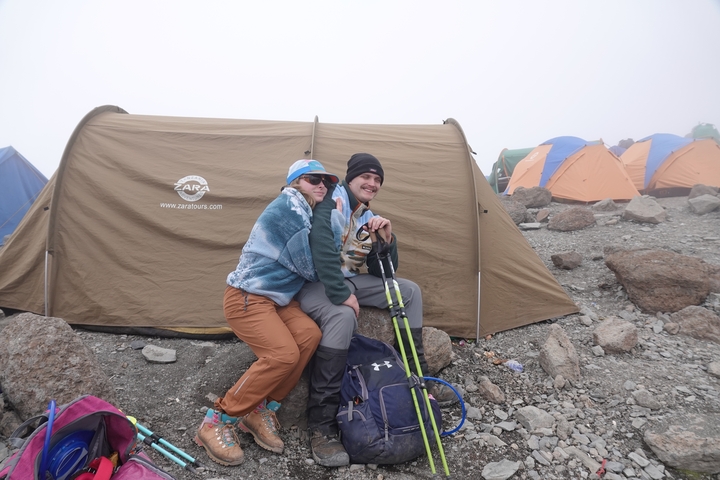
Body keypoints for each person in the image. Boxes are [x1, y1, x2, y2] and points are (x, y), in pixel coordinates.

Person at [296, 153, 459, 467]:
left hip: (352, 280)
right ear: (351, 177)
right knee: (343, 315)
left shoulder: (364, 215)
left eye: (377, 179)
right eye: (366, 177)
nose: (372, 183)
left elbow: (385, 269)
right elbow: (320, 251)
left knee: (408, 291)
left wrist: (387, 239)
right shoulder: (330, 202)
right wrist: (342, 294)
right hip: (314, 284)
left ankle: (420, 380)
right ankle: (322, 425)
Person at [195, 159, 340, 467]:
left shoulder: (307, 210)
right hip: (246, 297)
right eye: (313, 179)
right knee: (282, 354)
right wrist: (335, 221)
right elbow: (314, 269)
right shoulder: (289, 211)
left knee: (309, 334)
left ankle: (259, 409)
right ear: (295, 182)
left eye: (327, 181)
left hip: (276, 301)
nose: (322, 185)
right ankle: (219, 419)